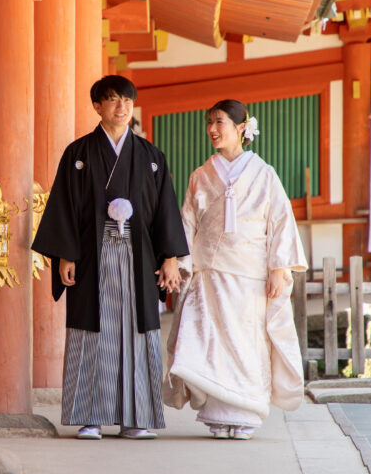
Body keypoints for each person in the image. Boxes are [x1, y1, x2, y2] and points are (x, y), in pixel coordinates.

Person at [32, 75, 189, 440]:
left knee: (137, 330)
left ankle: (136, 418)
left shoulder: (151, 157)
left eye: (128, 100)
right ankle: (90, 416)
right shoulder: (79, 154)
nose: (122, 107)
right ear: (97, 106)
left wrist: (170, 258)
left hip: (139, 254)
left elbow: (165, 210)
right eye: (113, 100)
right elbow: (66, 209)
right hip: (92, 253)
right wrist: (66, 255)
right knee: (93, 331)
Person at [164, 99, 307, 440]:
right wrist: (178, 263)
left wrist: (278, 267)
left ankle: (246, 411)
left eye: (220, 122)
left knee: (247, 342)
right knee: (210, 341)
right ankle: (217, 412)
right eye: (209, 123)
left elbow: (280, 222)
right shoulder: (201, 175)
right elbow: (187, 223)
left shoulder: (265, 174)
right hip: (210, 273)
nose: (212, 129)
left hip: (249, 274)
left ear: (242, 127)